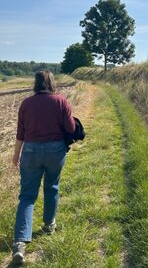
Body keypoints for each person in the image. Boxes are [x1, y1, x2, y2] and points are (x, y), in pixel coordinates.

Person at [11, 70, 75, 265]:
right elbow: (71, 129)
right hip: (56, 150)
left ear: (36, 83)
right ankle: (49, 225)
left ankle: (20, 243)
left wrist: (16, 155)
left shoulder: (26, 103)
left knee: (27, 195)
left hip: (30, 151)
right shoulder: (61, 101)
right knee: (52, 187)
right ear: (52, 83)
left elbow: (20, 133)